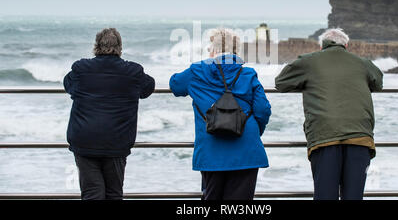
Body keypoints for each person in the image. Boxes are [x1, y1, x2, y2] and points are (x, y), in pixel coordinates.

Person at [275, 28, 383, 200]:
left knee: (325, 195)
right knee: (354, 196)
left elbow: (280, 83)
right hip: (360, 135)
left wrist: (307, 83)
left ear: (322, 46)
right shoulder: (363, 62)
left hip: (325, 136)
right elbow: (378, 83)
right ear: (346, 45)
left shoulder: (308, 62)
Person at [169, 28, 272, 200]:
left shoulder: (197, 71)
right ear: (235, 51)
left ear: (214, 50)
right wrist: (253, 131)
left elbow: (175, 85)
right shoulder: (248, 74)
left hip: (212, 151)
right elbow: (263, 109)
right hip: (246, 150)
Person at [64, 28, 155, 200]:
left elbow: (68, 86)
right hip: (116, 141)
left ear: (96, 46)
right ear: (120, 47)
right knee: (114, 193)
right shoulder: (133, 72)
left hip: (85, 139)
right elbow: (148, 87)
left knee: (92, 192)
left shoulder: (81, 69)